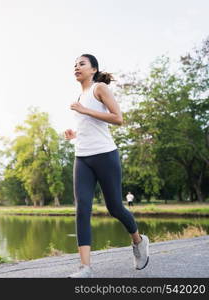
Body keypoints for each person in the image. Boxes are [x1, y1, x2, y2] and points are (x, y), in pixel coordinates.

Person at [64, 54, 149, 278]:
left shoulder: (99, 88)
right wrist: (74, 135)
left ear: (93, 69)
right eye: (74, 64)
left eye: (81, 63)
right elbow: (89, 126)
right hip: (82, 157)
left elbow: (118, 118)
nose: (76, 67)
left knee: (115, 208)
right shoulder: (79, 95)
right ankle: (85, 267)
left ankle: (139, 242)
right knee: (82, 209)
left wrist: (84, 110)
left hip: (105, 156)